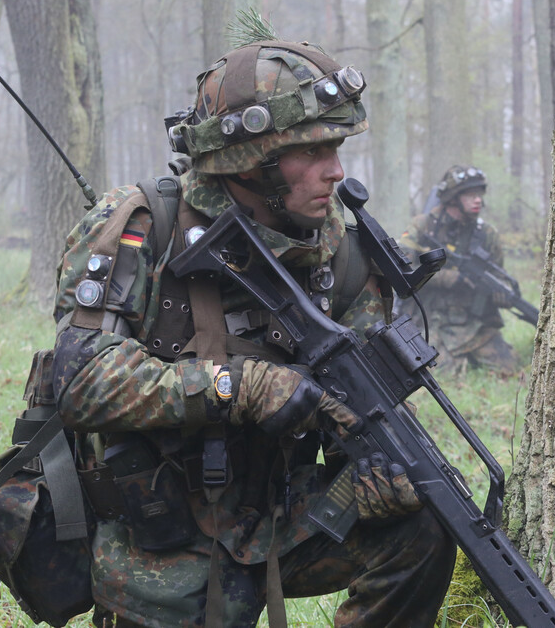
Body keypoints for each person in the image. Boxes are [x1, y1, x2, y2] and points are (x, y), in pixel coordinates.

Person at [52, 34, 456, 628]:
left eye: (338, 146)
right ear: (252, 158)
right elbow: (79, 380)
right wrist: (237, 387)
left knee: (425, 522)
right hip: (158, 545)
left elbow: (368, 401)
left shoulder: (341, 256)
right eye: (313, 151)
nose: (336, 171)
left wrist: (381, 469)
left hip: (280, 515)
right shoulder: (142, 225)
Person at [397, 166, 520, 376]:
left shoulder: (487, 234)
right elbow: (401, 271)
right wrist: (446, 278)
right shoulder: (422, 226)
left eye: (480, 195)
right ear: (453, 198)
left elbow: (499, 275)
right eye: (471, 195)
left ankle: (466, 358)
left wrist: (502, 294)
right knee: (437, 373)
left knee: (508, 370)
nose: (478, 200)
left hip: (472, 322)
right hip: (428, 318)